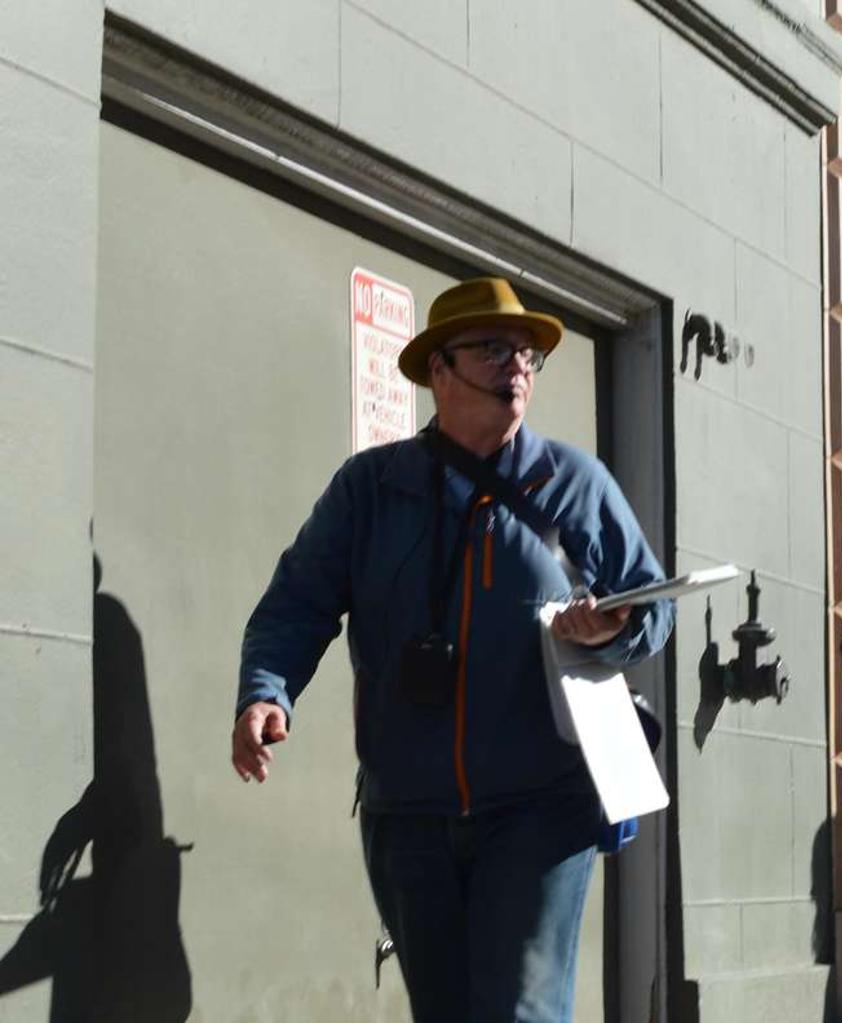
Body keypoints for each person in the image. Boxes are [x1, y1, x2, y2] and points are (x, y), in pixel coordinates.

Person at [232, 277, 677, 1021]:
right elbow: (297, 602)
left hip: (542, 806)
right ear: (439, 369)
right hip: (408, 813)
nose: (517, 367)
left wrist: (614, 627)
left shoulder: (575, 483)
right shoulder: (372, 488)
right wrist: (265, 692)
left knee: (520, 1012)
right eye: (494, 349)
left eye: (528, 354)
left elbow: (652, 608)